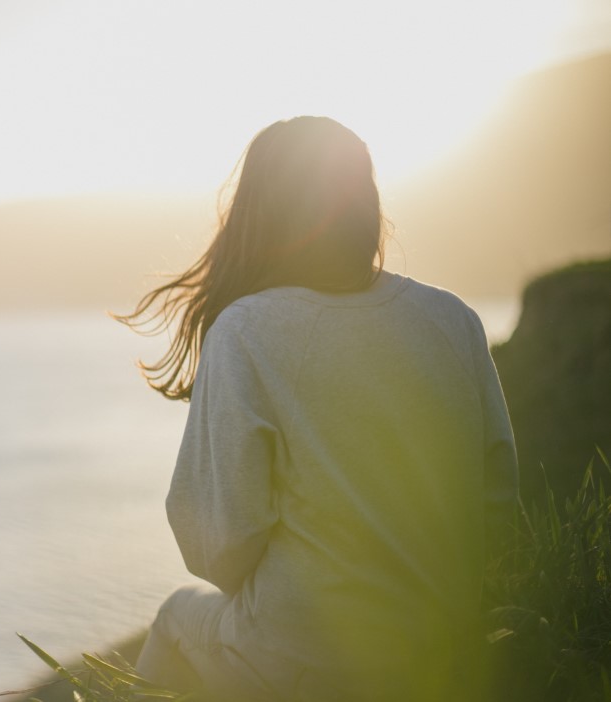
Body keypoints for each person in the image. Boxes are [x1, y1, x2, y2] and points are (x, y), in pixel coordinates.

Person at [118, 116, 519, 701]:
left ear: (259, 213)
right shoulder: (453, 318)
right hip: (442, 646)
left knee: (178, 618)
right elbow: (497, 500)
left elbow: (217, 550)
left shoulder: (247, 330)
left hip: (306, 662)